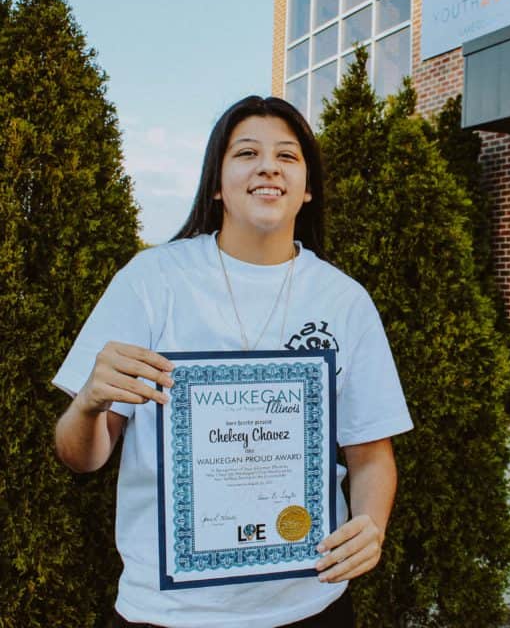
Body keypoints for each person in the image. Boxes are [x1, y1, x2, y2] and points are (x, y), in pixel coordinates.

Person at [53, 95, 413, 628]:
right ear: (217, 183)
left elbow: (371, 454)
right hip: (169, 609)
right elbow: (81, 457)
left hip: (310, 602)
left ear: (308, 188)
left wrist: (371, 523)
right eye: (247, 152)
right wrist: (87, 404)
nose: (268, 165)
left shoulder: (344, 300)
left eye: (288, 156)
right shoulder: (153, 280)